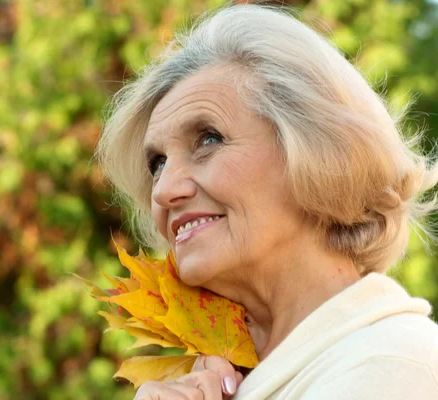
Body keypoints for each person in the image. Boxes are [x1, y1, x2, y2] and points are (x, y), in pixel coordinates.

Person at [96, 4, 438, 400]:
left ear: (317, 152)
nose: (163, 190)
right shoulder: (226, 381)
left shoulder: (390, 366)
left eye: (208, 139)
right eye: (157, 163)